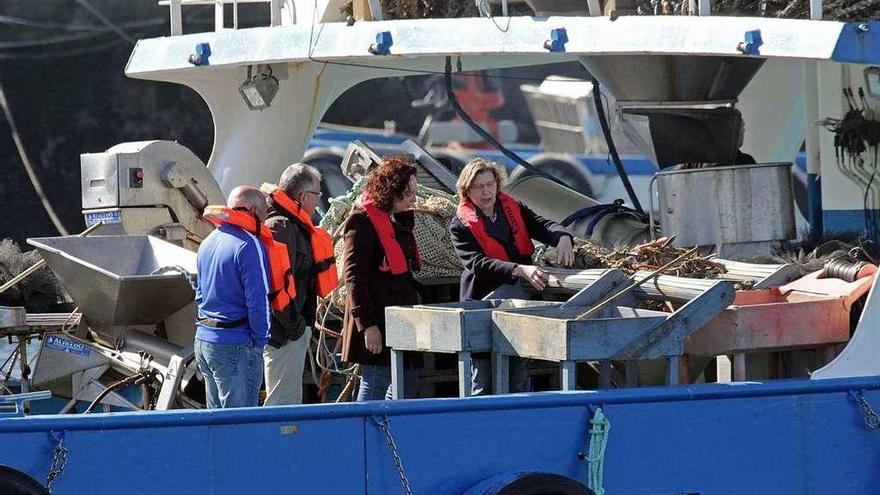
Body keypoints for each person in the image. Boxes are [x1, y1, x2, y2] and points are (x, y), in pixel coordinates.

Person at [450, 158, 574, 395]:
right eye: (479, 187)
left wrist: (563, 237)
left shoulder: (512, 208)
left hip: (519, 306)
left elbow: (541, 225)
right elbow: (476, 263)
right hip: (482, 303)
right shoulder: (459, 225)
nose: (486, 191)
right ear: (467, 190)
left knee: (516, 376)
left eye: (490, 184)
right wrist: (519, 269)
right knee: (482, 384)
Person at [194, 186, 294, 409]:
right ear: (253, 209)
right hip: (237, 345)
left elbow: (199, 295)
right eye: (265, 213)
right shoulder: (250, 245)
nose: (266, 219)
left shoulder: (208, 242)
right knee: (240, 426)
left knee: (217, 424)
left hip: (204, 341)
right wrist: (260, 341)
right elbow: (258, 301)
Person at [341, 157, 422, 401]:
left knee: (407, 382)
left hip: (401, 316)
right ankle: (364, 436)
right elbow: (353, 276)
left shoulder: (400, 218)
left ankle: (392, 434)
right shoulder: (361, 221)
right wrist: (368, 325)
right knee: (375, 383)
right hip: (376, 318)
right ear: (391, 192)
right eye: (408, 194)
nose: (413, 199)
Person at [263, 163, 338, 406]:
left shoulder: (291, 225)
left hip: (292, 328)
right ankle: (277, 442)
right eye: (318, 194)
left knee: (289, 397)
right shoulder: (281, 227)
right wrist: (294, 327)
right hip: (284, 333)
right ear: (304, 196)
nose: (319, 200)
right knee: (281, 400)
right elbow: (276, 284)